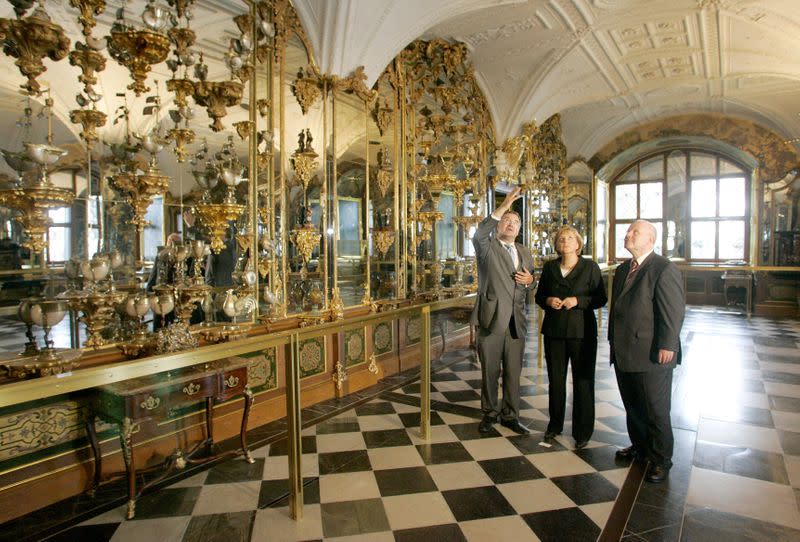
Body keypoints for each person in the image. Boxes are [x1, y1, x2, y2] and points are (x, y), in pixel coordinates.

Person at [609, 220, 685, 483]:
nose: (627, 234)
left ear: (650, 239)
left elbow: (672, 312)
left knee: (655, 409)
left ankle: (661, 459)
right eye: (628, 230)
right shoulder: (622, 270)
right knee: (633, 406)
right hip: (624, 351)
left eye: (634, 232)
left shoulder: (663, 268)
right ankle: (640, 448)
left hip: (652, 353)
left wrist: (668, 344)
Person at [535, 226, 607, 449]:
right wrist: (548, 301)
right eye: (561, 239)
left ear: (578, 244)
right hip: (554, 331)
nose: (564, 241)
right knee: (556, 381)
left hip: (582, 332)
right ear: (556, 244)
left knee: (583, 381)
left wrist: (578, 301)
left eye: (569, 238)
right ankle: (554, 426)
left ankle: (582, 431)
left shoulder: (590, 267)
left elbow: (600, 298)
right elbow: (539, 296)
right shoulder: (549, 267)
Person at [471, 186, 535, 434]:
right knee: (489, 371)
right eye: (507, 220)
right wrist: (505, 205)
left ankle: (511, 415)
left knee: (513, 372)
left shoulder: (525, 252)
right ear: (499, 225)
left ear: (519, 229)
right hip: (491, 319)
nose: (511, 224)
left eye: (515, 221)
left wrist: (531, 282)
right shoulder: (487, 248)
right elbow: (479, 234)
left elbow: (530, 281)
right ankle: (489, 413)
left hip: (516, 322)